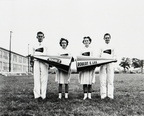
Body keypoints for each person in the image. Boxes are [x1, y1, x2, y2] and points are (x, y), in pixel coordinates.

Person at [99, 33, 116, 100]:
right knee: (102, 80)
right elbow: (98, 55)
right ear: (104, 38)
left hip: (110, 64)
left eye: (108, 38)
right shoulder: (101, 47)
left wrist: (114, 59)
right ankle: (103, 95)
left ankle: (110, 95)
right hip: (103, 64)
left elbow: (115, 55)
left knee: (110, 80)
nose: (107, 39)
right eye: (106, 38)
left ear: (110, 38)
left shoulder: (113, 46)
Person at [32, 31, 49, 101]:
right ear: (37, 37)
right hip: (36, 62)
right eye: (39, 36)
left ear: (43, 37)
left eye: (41, 36)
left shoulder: (46, 45)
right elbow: (32, 55)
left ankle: (43, 95)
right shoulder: (34, 45)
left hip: (44, 62)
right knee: (36, 78)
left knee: (44, 78)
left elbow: (48, 55)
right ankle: (37, 95)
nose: (40, 37)